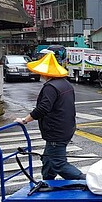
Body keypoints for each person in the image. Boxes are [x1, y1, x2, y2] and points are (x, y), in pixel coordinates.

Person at [14, 52, 85, 180]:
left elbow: (43, 108)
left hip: (56, 131)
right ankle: (47, 183)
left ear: (46, 73)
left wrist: (25, 120)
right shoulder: (66, 84)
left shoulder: (50, 87)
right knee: (48, 159)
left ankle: (86, 182)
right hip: (66, 128)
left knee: (59, 164)